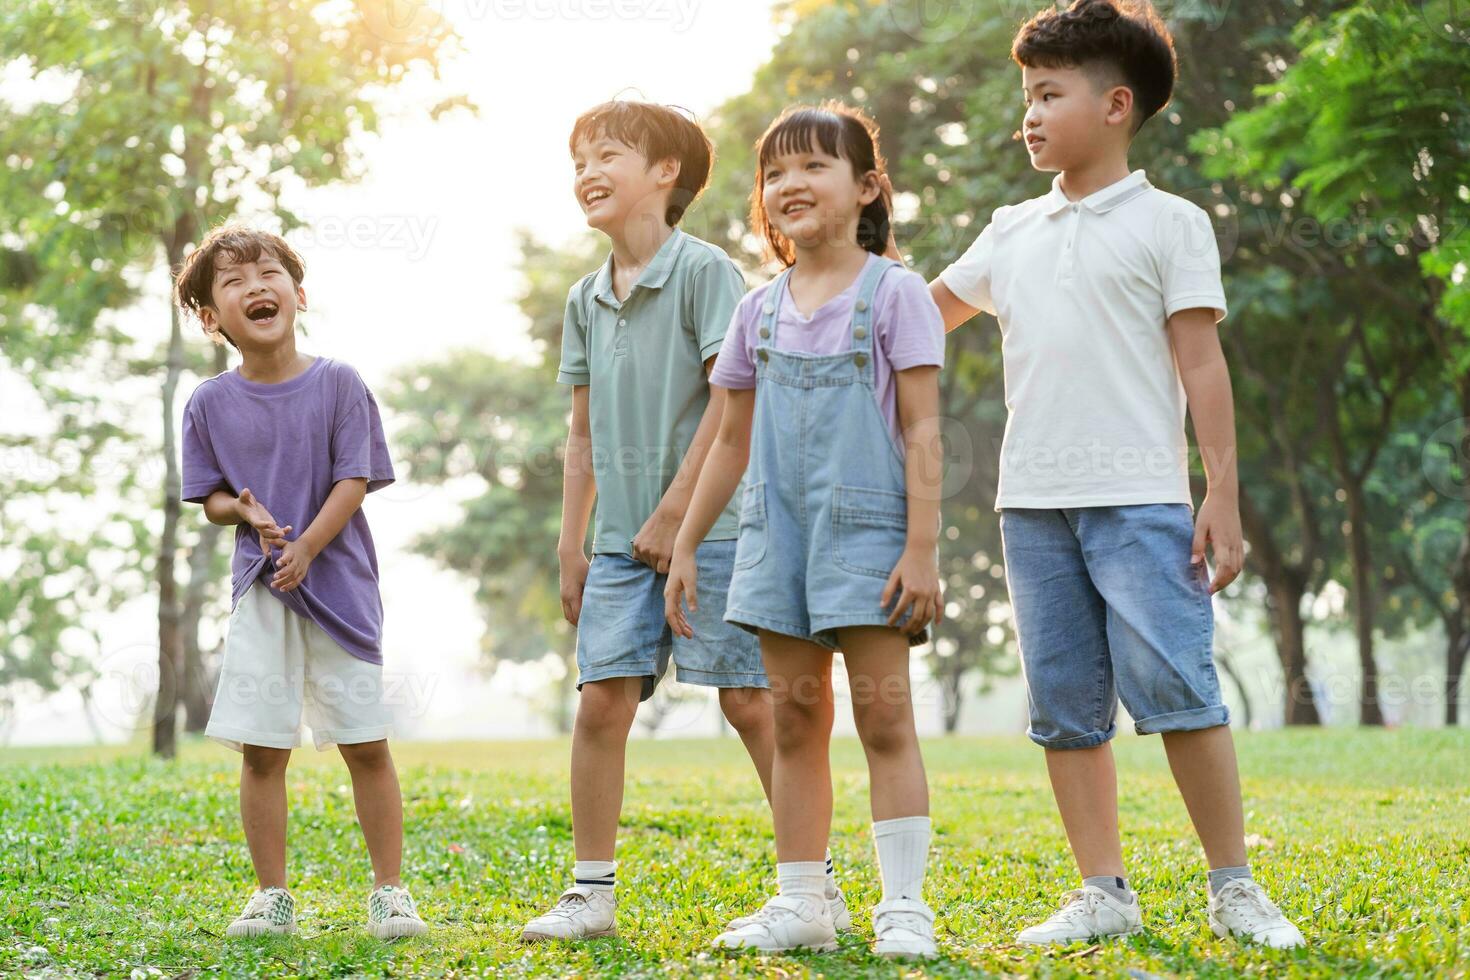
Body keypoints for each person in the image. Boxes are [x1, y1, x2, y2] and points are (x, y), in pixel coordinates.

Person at [924, 0, 1305, 948]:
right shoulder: (1009, 229)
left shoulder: (1173, 224)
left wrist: (1220, 490)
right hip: (1032, 507)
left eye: (1050, 94)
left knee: (1180, 692)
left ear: (1116, 106)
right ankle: (1103, 890)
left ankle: (1234, 886)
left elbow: (1201, 364)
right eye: (1027, 96)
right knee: (1064, 709)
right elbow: (918, 316)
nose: (1031, 114)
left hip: (1142, 499)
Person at [520, 100, 849, 943]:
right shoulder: (585, 299)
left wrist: (679, 518)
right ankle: (591, 893)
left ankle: (814, 885)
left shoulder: (704, 273)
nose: (588, 173)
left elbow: (727, 405)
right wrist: (572, 543)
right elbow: (582, 430)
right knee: (601, 706)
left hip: (718, 527)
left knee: (749, 703)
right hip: (620, 543)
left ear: (667, 175)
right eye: (580, 159)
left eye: (610, 155)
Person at [666, 102, 946, 958]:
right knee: (794, 721)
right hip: (774, 538)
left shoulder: (896, 294)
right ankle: (804, 904)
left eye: (812, 166)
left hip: (870, 537)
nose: (790, 184)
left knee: (885, 718)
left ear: (866, 188)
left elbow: (926, 434)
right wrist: (684, 544)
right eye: (775, 172)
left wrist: (923, 549)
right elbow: (727, 441)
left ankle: (904, 906)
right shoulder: (758, 310)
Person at [176, 225, 426, 940]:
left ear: (298, 292)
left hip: (340, 590)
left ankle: (390, 893)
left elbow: (356, 477)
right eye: (232, 281)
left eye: (268, 272)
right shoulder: (207, 403)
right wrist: (245, 513)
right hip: (262, 590)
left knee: (365, 743)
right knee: (262, 749)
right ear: (210, 318)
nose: (256, 286)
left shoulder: (339, 382)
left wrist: (311, 545)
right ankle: (271, 897)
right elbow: (211, 497)